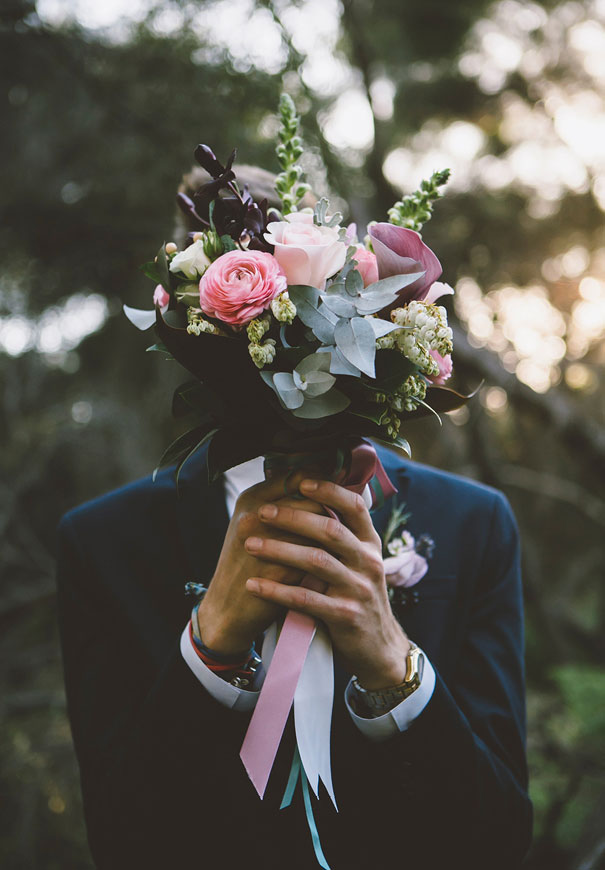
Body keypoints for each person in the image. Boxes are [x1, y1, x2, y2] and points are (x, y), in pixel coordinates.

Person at [56, 166, 532, 869]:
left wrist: (393, 667)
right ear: (187, 321)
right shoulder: (104, 545)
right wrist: (209, 648)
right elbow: (123, 841)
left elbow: (497, 841)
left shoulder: (473, 525)